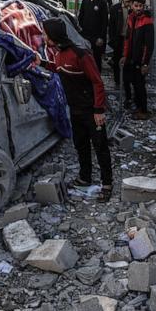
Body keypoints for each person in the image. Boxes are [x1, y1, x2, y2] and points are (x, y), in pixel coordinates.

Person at [41, 18, 114, 201]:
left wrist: (99, 110)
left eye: (45, 34)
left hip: (91, 110)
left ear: (53, 36)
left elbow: (97, 82)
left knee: (100, 147)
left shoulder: (81, 54)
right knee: (80, 145)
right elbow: (59, 69)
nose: (43, 37)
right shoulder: (58, 53)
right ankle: (85, 177)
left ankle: (107, 184)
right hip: (75, 109)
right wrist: (41, 63)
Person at [121, 0, 154, 119]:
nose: (139, 8)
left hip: (140, 59)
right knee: (131, 82)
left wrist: (145, 63)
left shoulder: (147, 21)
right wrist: (125, 55)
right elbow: (127, 39)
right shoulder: (130, 18)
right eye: (136, 6)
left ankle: (143, 110)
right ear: (132, 6)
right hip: (131, 57)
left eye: (141, 6)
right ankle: (135, 105)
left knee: (140, 85)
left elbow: (148, 45)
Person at [75, 0, 110, 74]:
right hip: (85, 37)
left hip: (96, 38)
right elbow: (80, 19)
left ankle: (97, 81)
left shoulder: (102, 3)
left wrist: (101, 38)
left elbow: (104, 22)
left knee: (96, 61)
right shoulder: (85, 1)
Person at [108, 0, 131, 86]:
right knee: (117, 59)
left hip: (128, 39)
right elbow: (111, 26)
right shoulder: (115, 9)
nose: (127, 3)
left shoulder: (133, 11)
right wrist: (112, 40)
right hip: (119, 38)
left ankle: (126, 80)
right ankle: (117, 79)